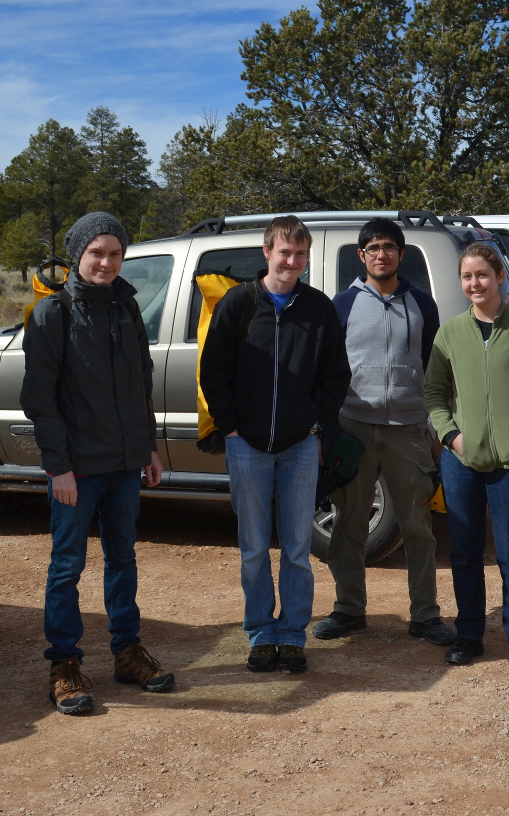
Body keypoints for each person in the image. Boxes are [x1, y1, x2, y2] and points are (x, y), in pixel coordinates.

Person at [21, 211, 172, 716]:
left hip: (126, 463)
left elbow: (139, 386)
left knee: (122, 559)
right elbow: (40, 399)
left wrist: (147, 447)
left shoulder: (128, 311)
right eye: (96, 253)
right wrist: (57, 467)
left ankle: (127, 652)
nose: (105, 262)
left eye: (114, 254)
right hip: (77, 469)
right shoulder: (52, 315)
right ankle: (63, 666)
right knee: (67, 565)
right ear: (77, 257)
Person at [199, 215, 350, 673]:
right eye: (285, 252)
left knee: (298, 548)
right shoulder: (238, 303)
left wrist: (317, 426)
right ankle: (261, 633)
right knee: (253, 547)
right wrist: (228, 427)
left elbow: (335, 375)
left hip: (300, 445)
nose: (292, 261)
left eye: (300, 254)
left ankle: (292, 634)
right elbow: (213, 370)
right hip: (246, 445)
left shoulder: (318, 308)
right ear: (266, 252)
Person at [314, 218, 455, 647]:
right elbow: (328, 372)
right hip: (354, 428)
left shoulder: (422, 305)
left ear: (401, 254)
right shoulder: (342, 305)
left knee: (417, 528)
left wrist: (435, 427)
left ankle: (426, 615)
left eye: (389, 247)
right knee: (349, 525)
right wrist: (327, 430)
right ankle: (348, 610)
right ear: (361, 256)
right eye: (373, 247)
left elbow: (435, 370)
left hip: (408, 429)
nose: (381, 254)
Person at [424, 243, 509, 679]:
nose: (475, 284)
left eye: (482, 275)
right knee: (463, 552)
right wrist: (451, 436)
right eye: (467, 277)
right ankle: (469, 634)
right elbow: (433, 394)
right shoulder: (450, 333)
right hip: (461, 462)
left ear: (500, 276)